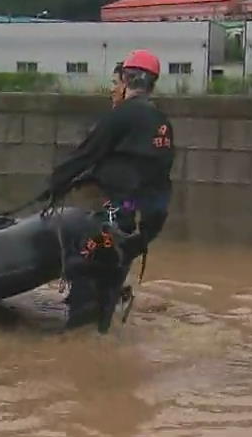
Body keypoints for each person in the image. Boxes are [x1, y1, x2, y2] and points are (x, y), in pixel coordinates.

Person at [44, 50, 175, 333]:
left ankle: (82, 340)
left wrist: (54, 185)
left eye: (116, 82)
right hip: (144, 223)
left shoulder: (121, 117)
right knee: (111, 271)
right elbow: (137, 166)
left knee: (84, 262)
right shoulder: (161, 122)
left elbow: (86, 154)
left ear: (129, 80)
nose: (113, 89)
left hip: (119, 216)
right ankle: (105, 326)